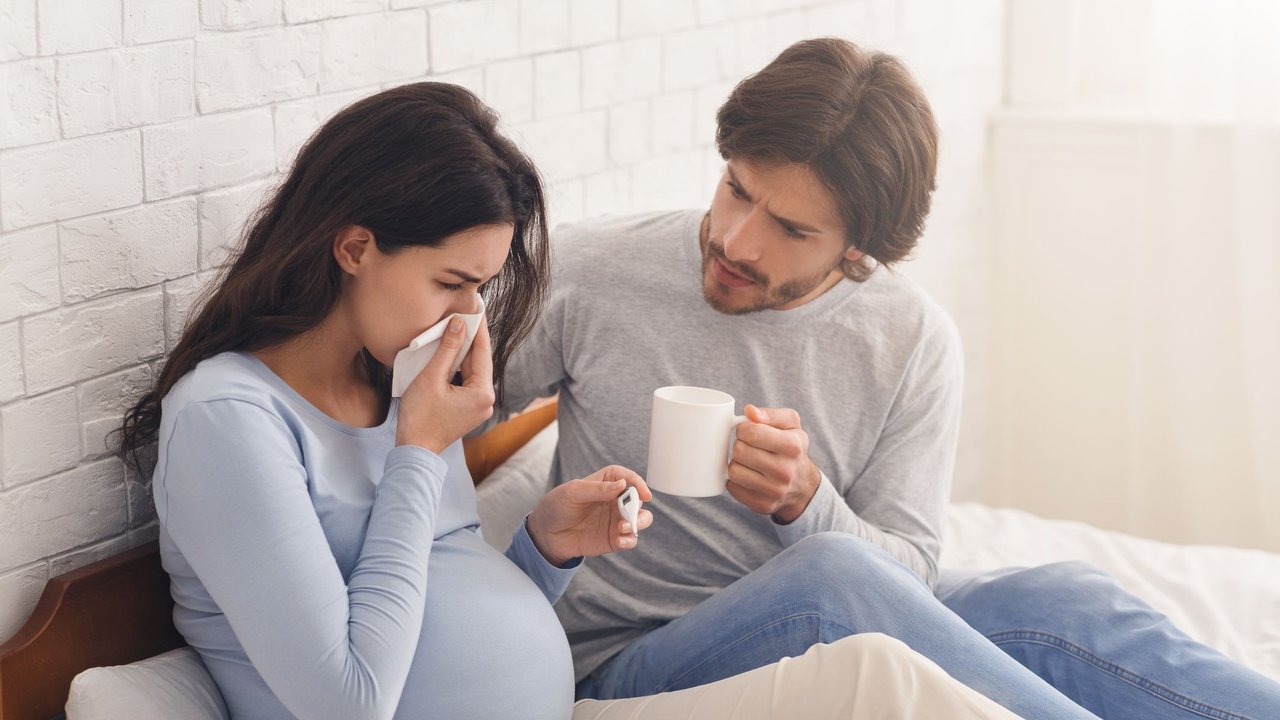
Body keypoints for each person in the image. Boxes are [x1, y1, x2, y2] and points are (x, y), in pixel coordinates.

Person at [115, 82, 1019, 720]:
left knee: (1056, 609)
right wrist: (419, 455)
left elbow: (440, 582)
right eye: (453, 282)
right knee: (882, 681)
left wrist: (545, 550)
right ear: (354, 247)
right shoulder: (230, 418)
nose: (474, 318)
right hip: (597, 686)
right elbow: (349, 699)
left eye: (485, 286)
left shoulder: (395, 386)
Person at [495, 38, 1280, 720]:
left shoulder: (909, 340)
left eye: (792, 229)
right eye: (737, 187)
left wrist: (806, 502)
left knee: (1062, 600)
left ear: (858, 250)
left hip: (804, 618)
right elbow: (440, 418)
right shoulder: (594, 273)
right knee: (833, 576)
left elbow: (908, 569)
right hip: (627, 660)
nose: (737, 240)